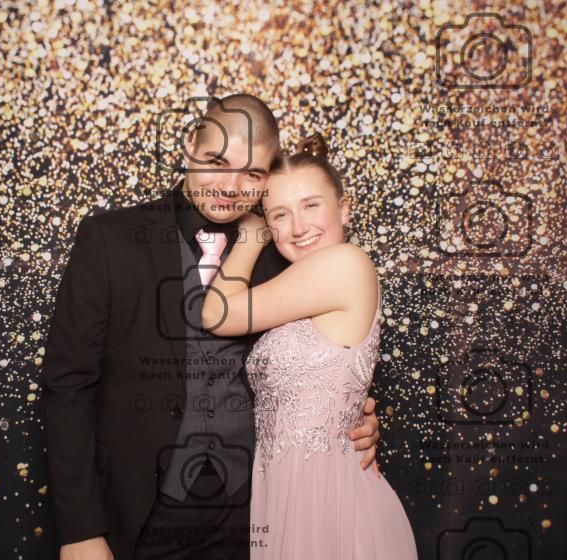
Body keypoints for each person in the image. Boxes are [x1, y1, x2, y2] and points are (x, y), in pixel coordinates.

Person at [42, 95, 382, 560]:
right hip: (138, 507)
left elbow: (325, 358)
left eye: (252, 174)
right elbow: (68, 385)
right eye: (217, 162)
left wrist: (353, 416)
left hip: (256, 511)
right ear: (189, 145)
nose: (229, 186)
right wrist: (79, 528)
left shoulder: (286, 249)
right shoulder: (110, 238)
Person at [201, 132, 418, 559]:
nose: (298, 228)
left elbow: (217, 314)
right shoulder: (299, 285)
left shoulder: (345, 264)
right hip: (288, 491)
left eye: (311, 205)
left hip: (328, 499)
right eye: (279, 215)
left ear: (345, 207)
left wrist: (249, 236)